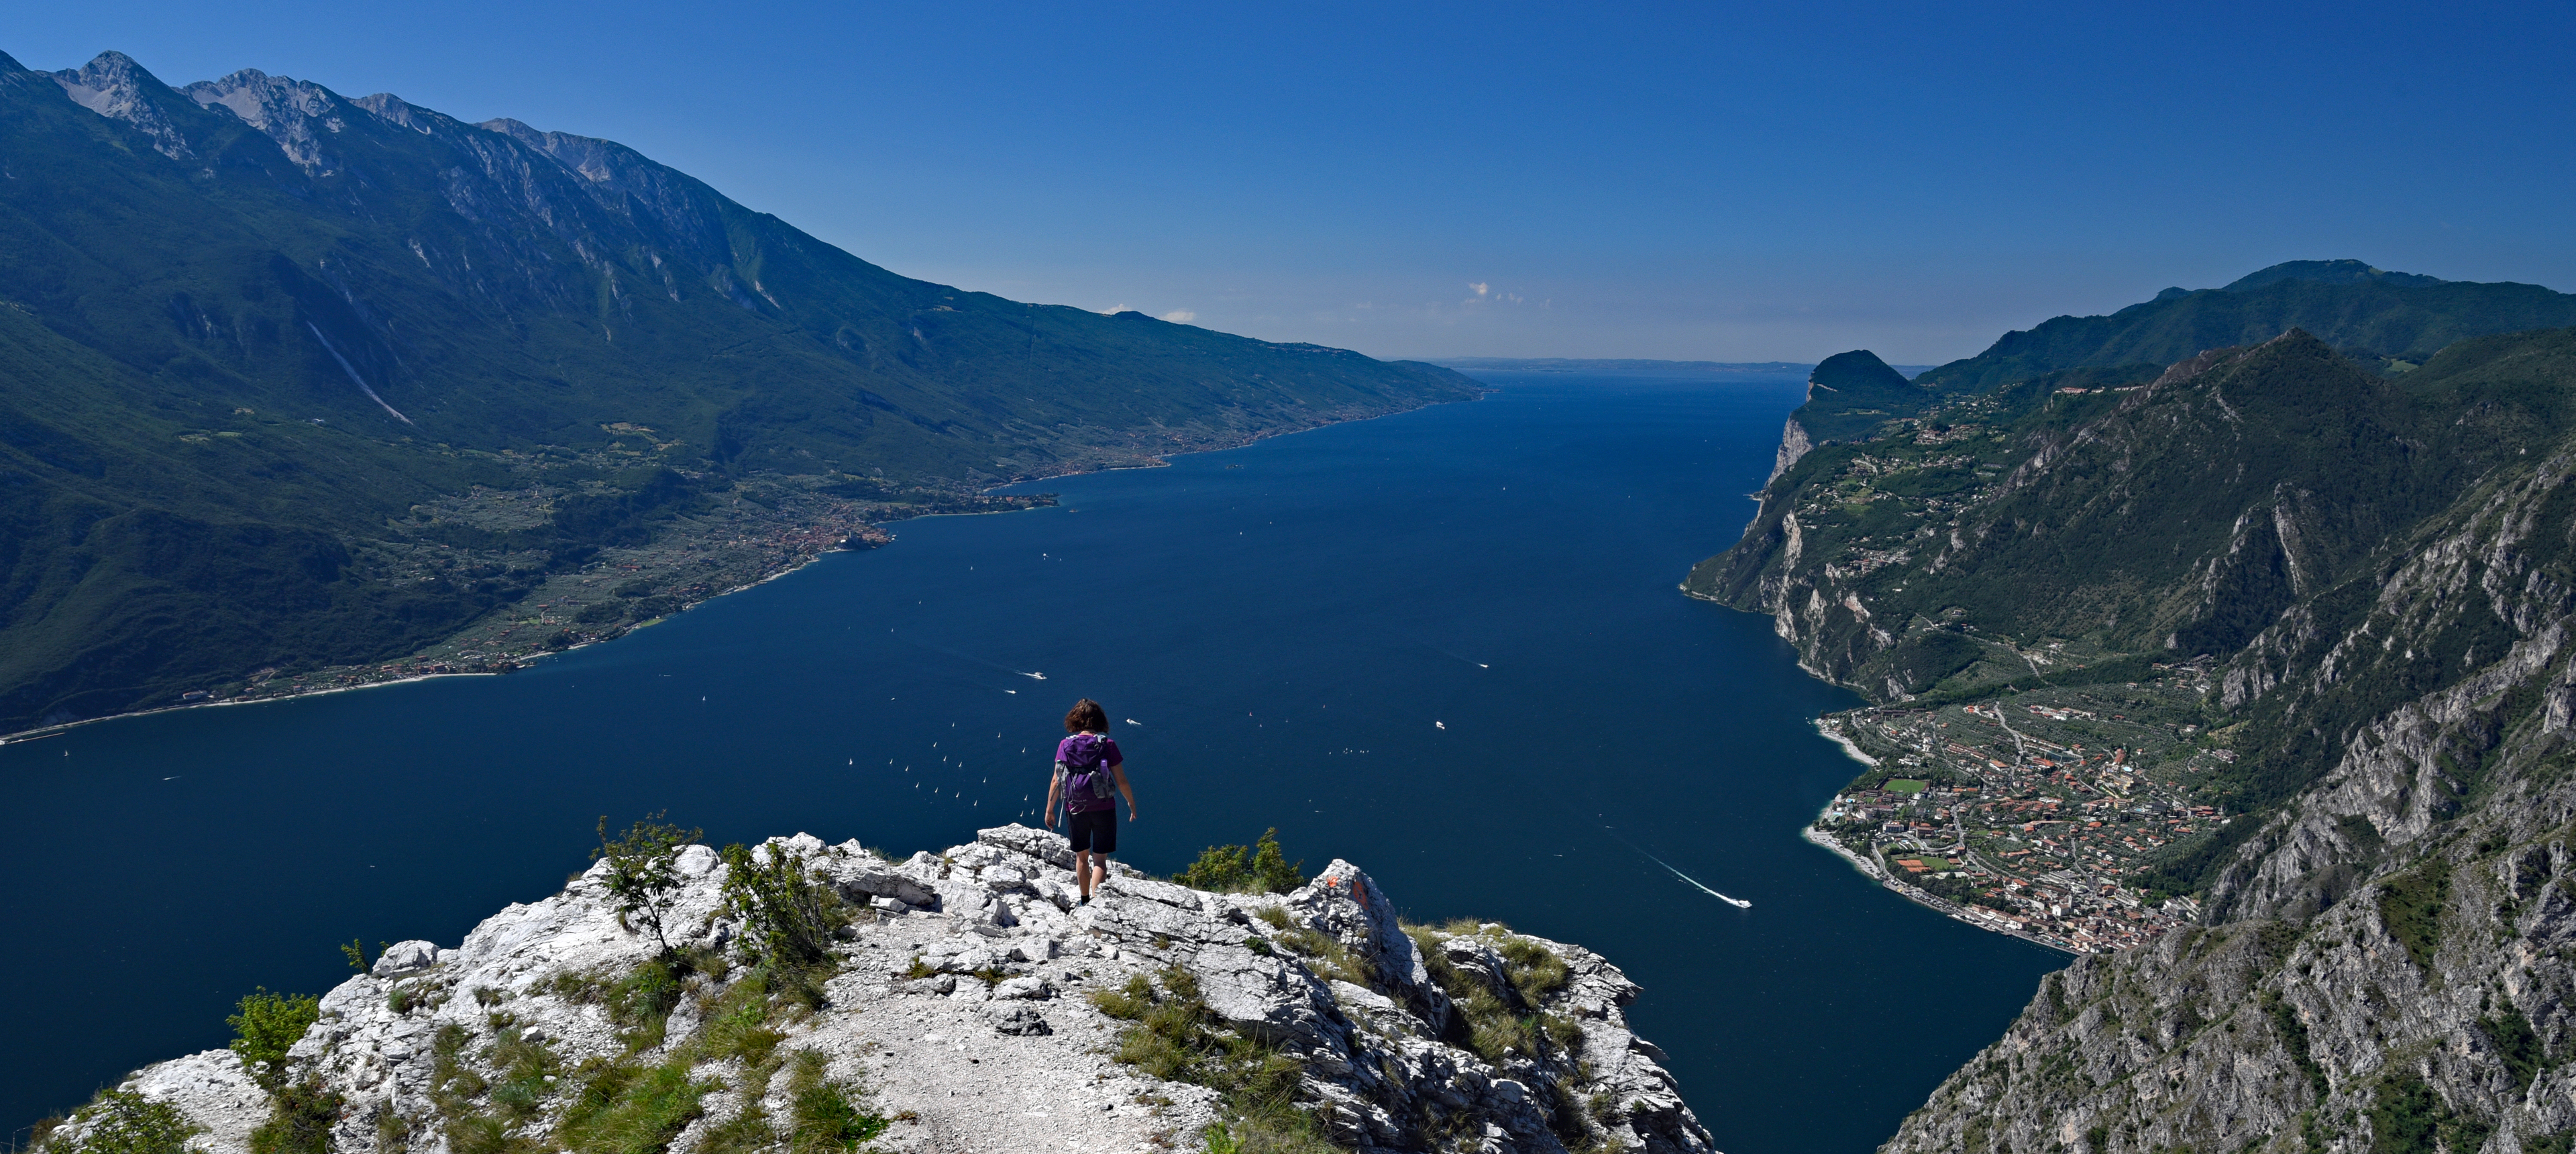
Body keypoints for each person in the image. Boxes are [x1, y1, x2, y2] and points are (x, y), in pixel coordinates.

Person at [1044, 698, 1136, 905]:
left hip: (1075, 808)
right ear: (1099, 720)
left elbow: (1056, 779)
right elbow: (1121, 781)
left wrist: (1050, 809)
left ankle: (1084, 900)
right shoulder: (1107, 745)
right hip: (1104, 807)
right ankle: (1097, 903)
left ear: (1075, 720)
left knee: (1081, 858)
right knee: (1100, 860)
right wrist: (1131, 803)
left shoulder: (1065, 745)